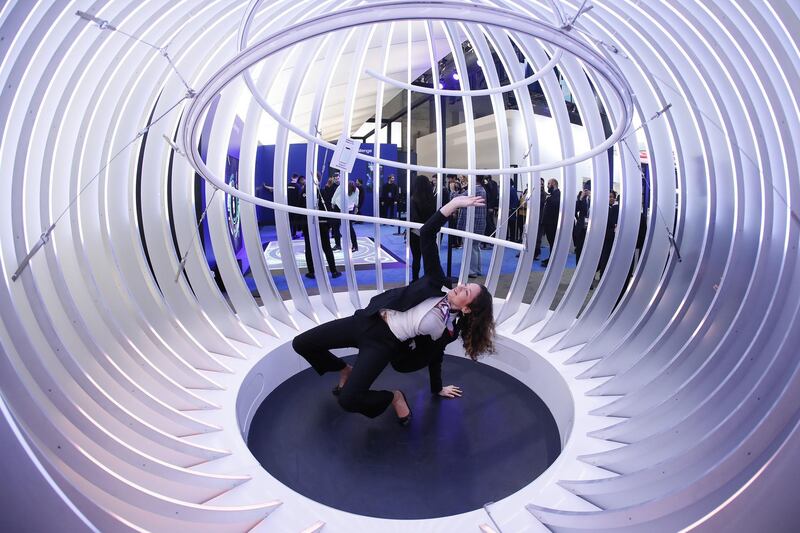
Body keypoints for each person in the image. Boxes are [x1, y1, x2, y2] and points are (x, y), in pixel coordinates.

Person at [292, 195, 496, 425]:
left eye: (465, 292)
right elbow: (427, 233)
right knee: (302, 343)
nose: (459, 287)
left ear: (467, 309)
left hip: (384, 344)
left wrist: (437, 388)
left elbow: (434, 355)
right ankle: (343, 369)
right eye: (464, 285)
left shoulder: (448, 328)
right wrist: (454, 205)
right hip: (367, 320)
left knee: (348, 400)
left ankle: (394, 397)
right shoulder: (436, 280)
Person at [303, 175, 341, 280]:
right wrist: (328, 225)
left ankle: (311, 272)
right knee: (326, 247)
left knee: (309, 248)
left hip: (309, 225)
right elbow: (327, 208)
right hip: (321, 224)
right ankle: (333, 271)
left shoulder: (304, 192)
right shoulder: (321, 192)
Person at [456, 177, 487, 278]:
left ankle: (472, 271)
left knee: (471, 247)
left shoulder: (474, 190)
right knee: (475, 247)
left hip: (472, 223)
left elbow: (456, 199)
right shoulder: (482, 189)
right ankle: (477, 269)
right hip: (479, 222)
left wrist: (453, 190)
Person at [409, 175, 437, 281]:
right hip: (429, 232)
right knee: (428, 258)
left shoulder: (413, 199)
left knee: (416, 258)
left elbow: (414, 217)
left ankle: (415, 280)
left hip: (415, 233)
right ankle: (428, 279)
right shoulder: (432, 199)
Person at [332, 180, 360, 252]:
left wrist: (356, 207)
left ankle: (355, 246)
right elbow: (335, 195)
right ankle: (338, 245)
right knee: (335, 226)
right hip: (338, 207)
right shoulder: (341, 187)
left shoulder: (356, 190)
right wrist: (333, 203)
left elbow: (356, 199)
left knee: (349, 227)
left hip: (348, 209)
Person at [597, 190, 619, 279]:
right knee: (604, 258)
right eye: (609, 197)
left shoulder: (616, 209)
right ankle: (602, 277)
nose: (611, 199)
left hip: (614, 237)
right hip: (606, 237)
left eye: (612, 197)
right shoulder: (602, 209)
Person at [540, 178, 560, 266]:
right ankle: (551, 258)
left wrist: (548, 199)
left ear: (553, 184)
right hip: (549, 223)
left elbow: (556, 205)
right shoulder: (552, 195)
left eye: (548, 184)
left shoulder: (557, 195)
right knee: (551, 243)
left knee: (553, 243)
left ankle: (552, 261)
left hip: (552, 224)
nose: (547, 186)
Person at [572, 181, 591, 262]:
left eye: (588, 189)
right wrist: (580, 198)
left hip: (591, 229)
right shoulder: (581, 198)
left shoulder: (595, 199)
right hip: (581, 228)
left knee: (589, 251)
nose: (586, 191)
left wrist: (591, 197)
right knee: (579, 250)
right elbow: (575, 210)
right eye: (584, 189)